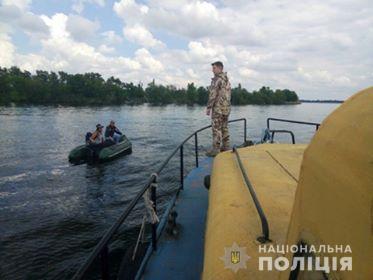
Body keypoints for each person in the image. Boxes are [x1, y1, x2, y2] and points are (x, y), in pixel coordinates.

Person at [206, 61, 231, 157]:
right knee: (224, 127)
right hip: (226, 109)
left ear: (220, 68)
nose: (212, 70)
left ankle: (216, 150)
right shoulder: (226, 80)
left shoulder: (217, 79)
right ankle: (226, 147)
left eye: (214, 68)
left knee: (216, 129)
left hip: (218, 109)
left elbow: (213, 94)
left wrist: (209, 107)